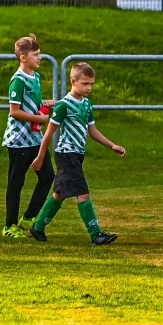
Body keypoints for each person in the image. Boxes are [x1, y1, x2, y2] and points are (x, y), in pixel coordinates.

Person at [28, 62, 126, 245]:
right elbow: (49, 132)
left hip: (77, 155)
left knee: (60, 193)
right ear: (73, 81)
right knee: (83, 193)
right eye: (85, 83)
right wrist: (41, 156)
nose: (89, 88)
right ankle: (96, 234)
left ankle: (38, 227)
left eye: (91, 84)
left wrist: (112, 145)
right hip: (67, 154)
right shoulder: (63, 106)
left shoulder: (87, 105)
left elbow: (92, 131)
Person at [3, 34, 56, 238]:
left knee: (48, 175)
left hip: (35, 138)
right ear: (23, 58)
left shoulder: (36, 77)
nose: (40, 57)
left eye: (40, 53)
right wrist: (39, 118)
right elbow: (14, 111)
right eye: (36, 54)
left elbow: (31, 102)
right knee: (16, 182)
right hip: (18, 140)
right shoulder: (17, 80)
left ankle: (28, 218)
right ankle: (9, 226)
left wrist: (44, 104)